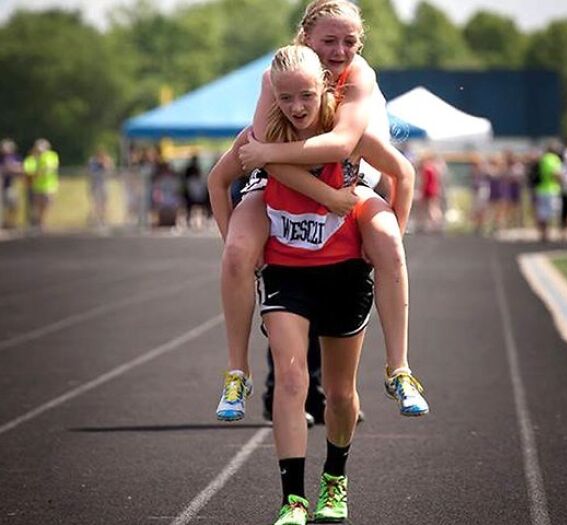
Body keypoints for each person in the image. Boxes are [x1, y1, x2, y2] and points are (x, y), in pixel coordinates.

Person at [210, 45, 417, 524]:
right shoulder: (262, 135)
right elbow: (217, 180)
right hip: (288, 273)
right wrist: (237, 247)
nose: (297, 107)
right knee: (291, 380)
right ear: (272, 97)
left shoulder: (349, 135)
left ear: (325, 87)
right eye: (285, 98)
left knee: (341, 395)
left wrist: (387, 242)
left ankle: (334, 479)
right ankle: (292, 501)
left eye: (306, 95)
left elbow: (401, 173)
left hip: (345, 271)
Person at [211, 0, 428, 423]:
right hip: (284, 184)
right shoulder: (277, 77)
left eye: (350, 41)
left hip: (349, 180)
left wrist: (385, 234)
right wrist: (238, 251)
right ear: (305, 38)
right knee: (238, 251)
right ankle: (237, 372)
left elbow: (344, 146)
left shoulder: (358, 77)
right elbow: (260, 161)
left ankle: (399, 368)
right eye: (329, 40)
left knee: (386, 242)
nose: (341, 50)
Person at [23, 139, 59, 230]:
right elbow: (29, 170)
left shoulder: (51, 156)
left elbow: (50, 168)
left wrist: (41, 171)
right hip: (36, 186)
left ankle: (41, 223)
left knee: (45, 205)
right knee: (35, 205)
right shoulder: (33, 158)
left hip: (48, 186)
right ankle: (36, 223)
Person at [534, 142, 562, 242]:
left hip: (541, 189)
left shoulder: (542, 159)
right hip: (552, 189)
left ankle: (544, 233)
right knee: (555, 212)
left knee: (542, 213)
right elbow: (555, 173)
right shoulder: (554, 159)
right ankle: (559, 234)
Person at [87, 147, 114, 227]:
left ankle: (103, 218)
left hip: (104, 186)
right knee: (96, 203)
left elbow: (110, 171)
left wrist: (104, 164)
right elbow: (90, 171)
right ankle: (95, 218)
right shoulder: (92, 161)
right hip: (95, 185)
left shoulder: (107, 161)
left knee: (104, 203)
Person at [0, 139, 23, 229]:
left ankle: (10, 223)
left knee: (14, 205)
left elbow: (20, 170)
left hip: (11, 186)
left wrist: (11, 168)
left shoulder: (16, 157)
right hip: (2, 186)